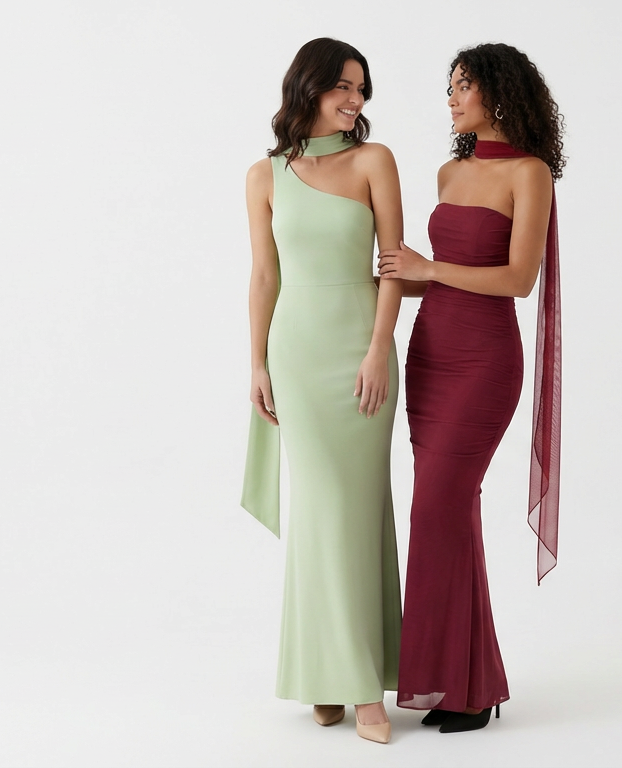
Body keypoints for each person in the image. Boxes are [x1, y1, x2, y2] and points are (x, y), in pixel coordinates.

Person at [378, 42, 565, 734]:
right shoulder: (449, 172)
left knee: (440, 506)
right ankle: (462, 683)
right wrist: (385, 279)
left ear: (499, 92)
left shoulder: (529, 173)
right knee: (442, 513)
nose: (452, 98)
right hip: (430, 352)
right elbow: (431, 276)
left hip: (485, 361)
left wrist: (430, 267)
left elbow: (518, 279)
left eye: (464, 86)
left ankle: (467, 683)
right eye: (450, 87)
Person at [240, 37, 405, 745]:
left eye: (361, 89)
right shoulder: (264, 175)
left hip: (361, 349)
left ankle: (360, 683)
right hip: (298, 354)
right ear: (308, 86)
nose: (355, 100)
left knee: (357, 510)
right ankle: (331, 675)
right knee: (319, 513)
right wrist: (256, 363)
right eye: (344, 86)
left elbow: (393, 264)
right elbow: (264, 276)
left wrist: (378, 349)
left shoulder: (374, 161)